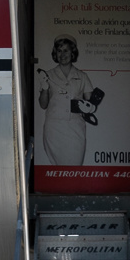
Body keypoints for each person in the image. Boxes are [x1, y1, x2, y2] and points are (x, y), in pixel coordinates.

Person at [37, 36, 95, 165]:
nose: (62, 54)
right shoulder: (48, 75)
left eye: (66, 51)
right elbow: (43, 104)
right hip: (54, 128)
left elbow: (90, 102)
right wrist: (45, 88)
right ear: (55, 53)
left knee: (75, 166)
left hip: (75, 128)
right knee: (58, 168)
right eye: (59, 51)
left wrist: (88, 106)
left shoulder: (82, 76)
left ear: (72, 53)